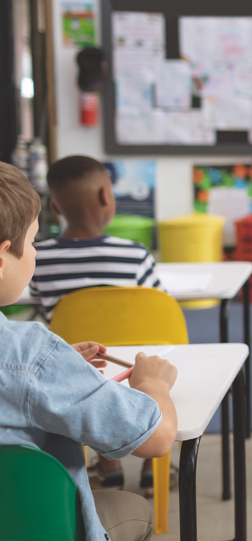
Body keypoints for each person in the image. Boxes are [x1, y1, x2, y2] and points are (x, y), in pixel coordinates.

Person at [0, 161, 177, 541]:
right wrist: (154, 385)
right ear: (1, 259)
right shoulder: (32, 356)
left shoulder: (38, 360)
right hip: (41, 528)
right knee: (134, 511)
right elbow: (157, 438)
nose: (35, 251)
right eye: (31, 242)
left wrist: (60, 369)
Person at [29, 155, 163, 493]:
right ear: (107, 196)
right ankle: (152, 469)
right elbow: (158, 312)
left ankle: (109, 466)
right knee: (155, 362)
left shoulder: (38, 259)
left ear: (55, 208)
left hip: (76, 371)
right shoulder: (135, 255)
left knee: (96, 376)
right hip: (134, 369)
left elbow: (35, 304)